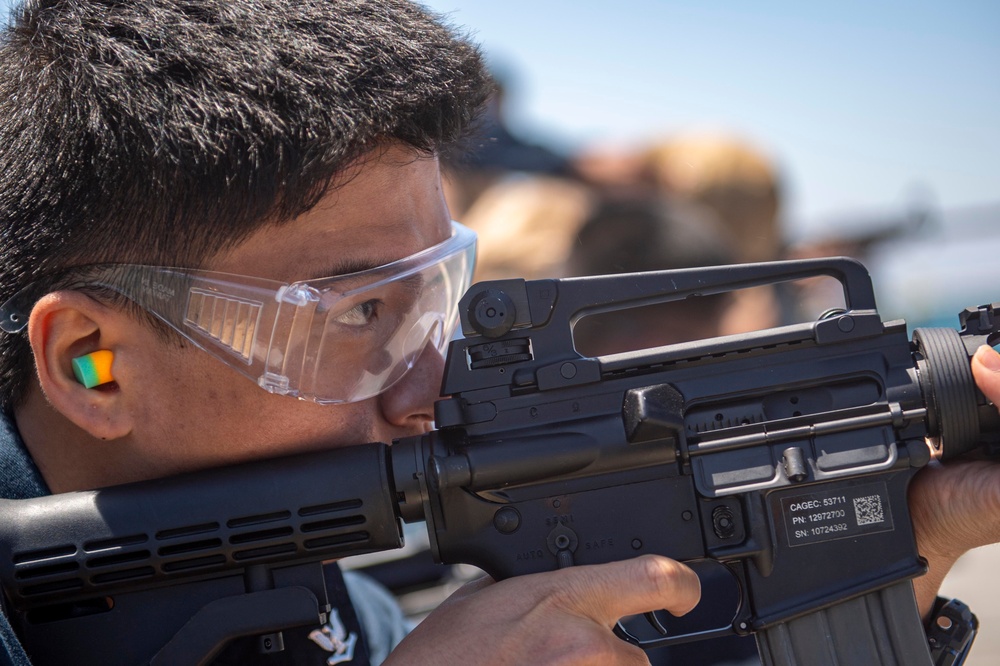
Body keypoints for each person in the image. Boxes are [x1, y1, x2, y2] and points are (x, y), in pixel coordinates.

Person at [0, 3, 997, 666]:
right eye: (358, 315)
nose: (426, 386)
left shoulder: (334, 612)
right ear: (95, 365)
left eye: (440, 295)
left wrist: (875, 575)